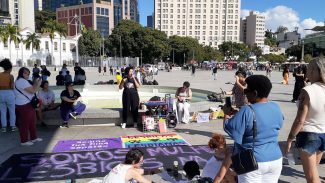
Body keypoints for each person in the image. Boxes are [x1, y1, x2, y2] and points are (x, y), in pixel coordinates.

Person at [223, 75, 284, 183]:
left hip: (253, 161)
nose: (245, 93)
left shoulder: (247, 110)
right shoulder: (276, 107)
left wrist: (227, 114)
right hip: (275, 158)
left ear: (255, 93)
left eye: (246, 90)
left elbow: (230, 128)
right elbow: (274, 125)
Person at [285, 57, 325, 183]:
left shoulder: (307, 91)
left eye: (308, 68)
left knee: (312, 178)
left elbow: (300, 120)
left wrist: (290, 138)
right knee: (314, 173)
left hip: (309, 135)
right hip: (323, 134)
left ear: (314, 71)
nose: (306, 71)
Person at [14, 67, 43, 146]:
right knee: (25, 123)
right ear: (21, 73)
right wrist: (38, 83)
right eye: (25, 73)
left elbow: (33, 88)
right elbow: (33, 90)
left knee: (32, 122)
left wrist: (36, 83)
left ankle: (33, 137)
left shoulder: (22, 81)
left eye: (28, 73)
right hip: (24, 104)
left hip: (28, 104)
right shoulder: (21, 81)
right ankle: (24, 141)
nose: (27, 75)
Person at [0, 59, 17, 132]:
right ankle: (13, 126)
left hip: (0, 93)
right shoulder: (11, 76)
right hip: (9, 93)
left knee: (2, 111)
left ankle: (3, 127)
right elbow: (12, 86)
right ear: (9, 68)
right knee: (12, 111)